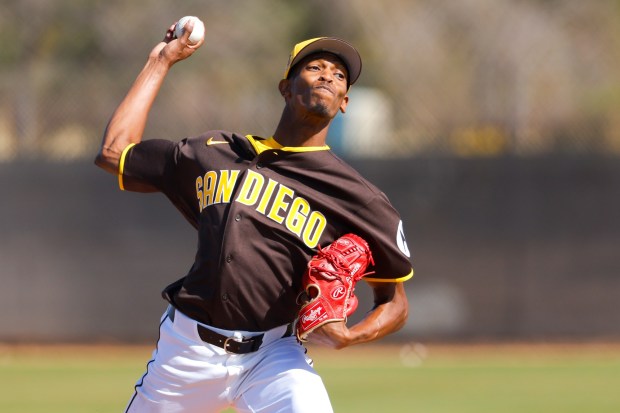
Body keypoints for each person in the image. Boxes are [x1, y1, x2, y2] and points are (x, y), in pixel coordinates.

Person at [95, 18, 414, 413]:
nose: (328, 76)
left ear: (346, 100)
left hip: (274, 357)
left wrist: (352, 335)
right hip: (186, 353)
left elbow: (394, 301)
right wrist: (160, 62)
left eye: (339, 74)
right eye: (314, 67)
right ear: (285, 87)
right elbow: (113, 152)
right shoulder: (216, 153)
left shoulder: (358, 197)